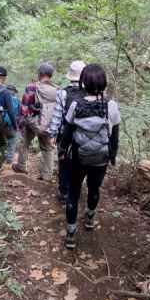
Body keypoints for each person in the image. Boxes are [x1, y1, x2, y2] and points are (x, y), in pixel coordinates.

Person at [59, 64, 120, 249]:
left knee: (74, 192)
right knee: (94, 189)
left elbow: (67, 132)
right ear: (103, 83)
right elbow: (114, 135)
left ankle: (70, 234)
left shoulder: (77, 104)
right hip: (100, 158)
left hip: (78, 157)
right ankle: (90, 218)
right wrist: (113, 156)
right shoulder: (111, 105)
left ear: (83, 82)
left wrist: (62, 151)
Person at [48, 60, 86, 204]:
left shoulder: (63, 93)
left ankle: (64, 191)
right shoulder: (89, 92)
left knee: (64, 162)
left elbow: (57, 116)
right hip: (84, 136)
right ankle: (75, 190)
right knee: (80, 163)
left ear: (70, 76)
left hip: (65, 135)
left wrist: (52, 134)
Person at [12, 63, 57, 181]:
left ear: (40, 73)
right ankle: (46, 175)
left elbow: (24, 108)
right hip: (48, 124)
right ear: (51, 75)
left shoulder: (32, 87)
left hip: (32, 121)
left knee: (25, 142)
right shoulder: (57, 90)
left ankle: (21, 166)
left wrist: (21, 123)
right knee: (48, 148)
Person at [3, 84, 21, 164]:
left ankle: (1, 159)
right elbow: (20, 113)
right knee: (12, 142)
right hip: (13, 124)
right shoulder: (17, 101)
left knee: (3, 142)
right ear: (14, 92)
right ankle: (9, 159)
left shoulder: (2, 99)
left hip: (2, 123)